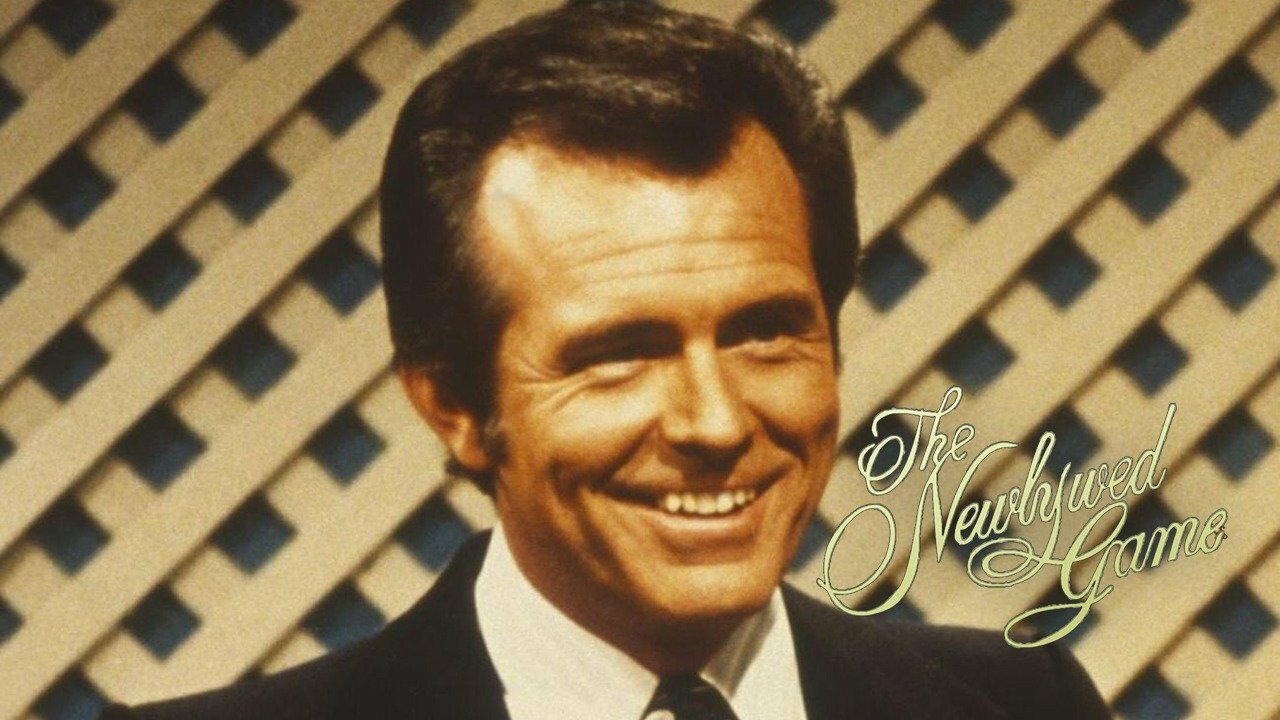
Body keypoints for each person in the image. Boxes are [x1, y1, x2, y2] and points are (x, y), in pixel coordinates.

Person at [103, 3, 1109, 718]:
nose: (715, 421)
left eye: (764, 332)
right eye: (620, 355)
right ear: (452, 405)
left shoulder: (1025, 706)